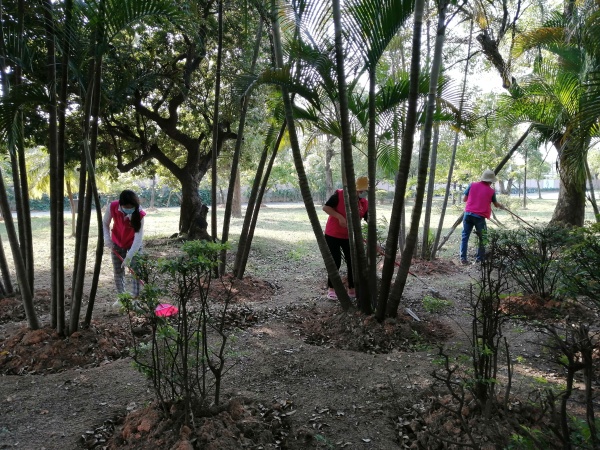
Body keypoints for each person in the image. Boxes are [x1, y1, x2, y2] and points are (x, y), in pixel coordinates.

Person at [323, 177, 369, 299]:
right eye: (359, 191)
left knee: (352, 262)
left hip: (349, 236)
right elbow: (326, 208)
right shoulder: (339, 194)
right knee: (335, 261)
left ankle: (351, 288)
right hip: (332, 234)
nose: (361, 193)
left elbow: (368, 219)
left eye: (363, 191)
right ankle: (331, 288)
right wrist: (339, 217)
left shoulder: (364, 203)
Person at [102, 190, 146, 307]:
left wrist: (129, 256)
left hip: (134, 244)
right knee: (118, 270)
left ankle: (135, 299)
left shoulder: (139, 213)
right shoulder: (113, 206)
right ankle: (122, 298)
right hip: (117, 242)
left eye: (131, 207)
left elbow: (138, 238)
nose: (129, 209)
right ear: (121, 204)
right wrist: (107, 239)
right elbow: (105, 223)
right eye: (126, 207)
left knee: (136, 271)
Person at [460, 169, 504, 265]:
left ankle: (463, 259)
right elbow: (496, 204)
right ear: (491, 181)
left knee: (465, 236)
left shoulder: (472, 185)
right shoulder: (491, 191)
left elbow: (464, 199)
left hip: (468, 214)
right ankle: (479, 259)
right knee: (483, 238)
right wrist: (501, 206)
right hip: (479, 217)